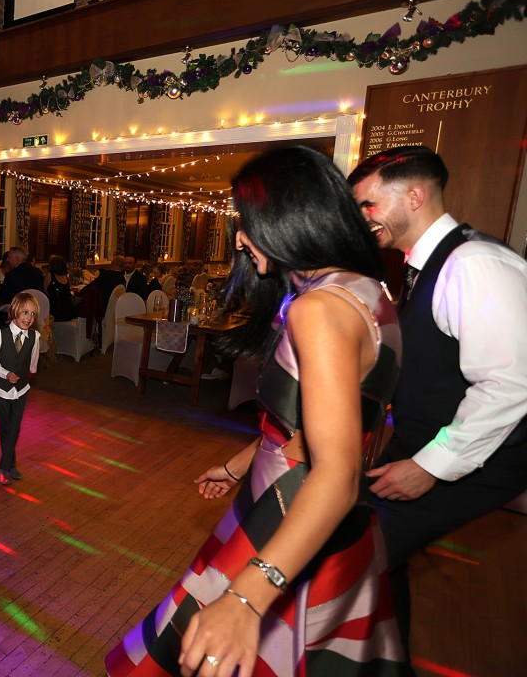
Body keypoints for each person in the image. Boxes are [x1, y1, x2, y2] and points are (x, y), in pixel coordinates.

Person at [106, 146, 405, 676]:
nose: (240, 237)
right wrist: (239, 465)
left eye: (247, 221)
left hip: (293, 514)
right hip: (327, 517)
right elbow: (326, 425)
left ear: (286, 218)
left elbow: (334, 474)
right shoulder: (370, 291)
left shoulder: (319, 309)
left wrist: (246, 597)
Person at [348, 145, 527, 659]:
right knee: (376, 560)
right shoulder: (427, 265)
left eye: (369, 205)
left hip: (476, 458)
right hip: (424, 442)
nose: (364, 220)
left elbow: (509, 384)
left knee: (351, 555)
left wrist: (429, 465)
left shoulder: (475, 264)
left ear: (415, 195)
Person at [0, 291, 41, 487]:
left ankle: (4, 466)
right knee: (6, 428)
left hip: (21, 389)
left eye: (33, 314)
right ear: (15, 311)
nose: (29, 318)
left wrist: (31, 372)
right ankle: (11, 464)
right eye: (25, 312)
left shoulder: (35, 336)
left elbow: (33, 358)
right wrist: (5, 374)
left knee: (15, 427)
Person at [46, 254, 76, 321]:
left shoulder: (50, 275)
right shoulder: (66, 276)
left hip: (55, 311)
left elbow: (45, 290)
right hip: (67, 310)